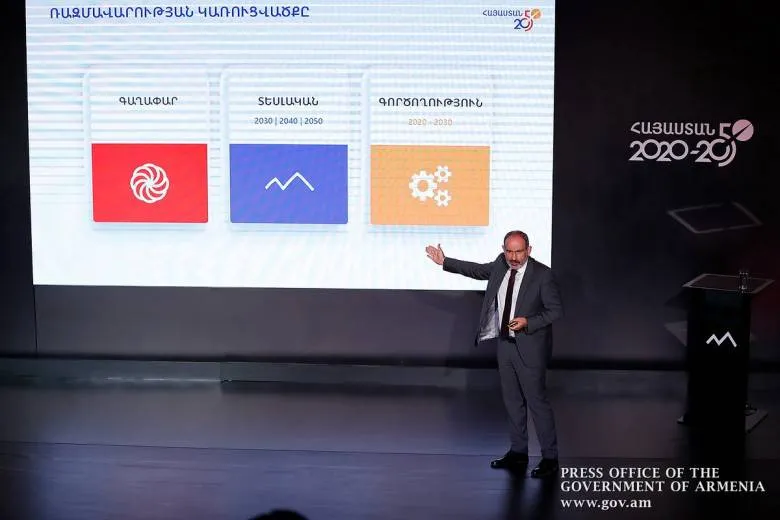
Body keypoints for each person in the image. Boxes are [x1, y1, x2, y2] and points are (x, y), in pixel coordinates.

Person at [425, 230, 563, 478]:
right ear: (503, 250)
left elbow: (555, 310)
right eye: (509, 251)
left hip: (530, 347)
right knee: (512, 401)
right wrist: (445, 262)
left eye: (519, 252)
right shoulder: (501, 265)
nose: (514, 257)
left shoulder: (542, 275)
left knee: (537, 403)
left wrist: (528, 322)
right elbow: (477, 270)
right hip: (505, 345)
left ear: (529, 250)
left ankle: (550, 458)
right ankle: (518, 453)